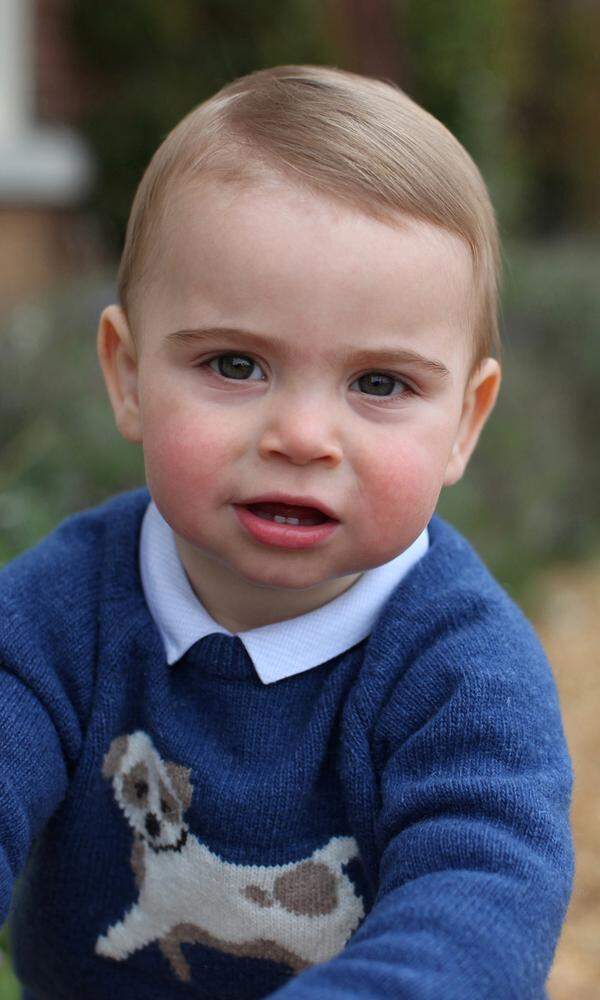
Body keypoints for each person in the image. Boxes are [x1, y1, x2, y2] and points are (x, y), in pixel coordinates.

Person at [0, 65, 573, 999]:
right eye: (235, 364)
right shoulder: (54, 619)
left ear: (466, 423)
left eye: (379, 384)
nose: (303, 438)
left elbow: (478, 917)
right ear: (129, 376)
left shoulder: (464, 676)